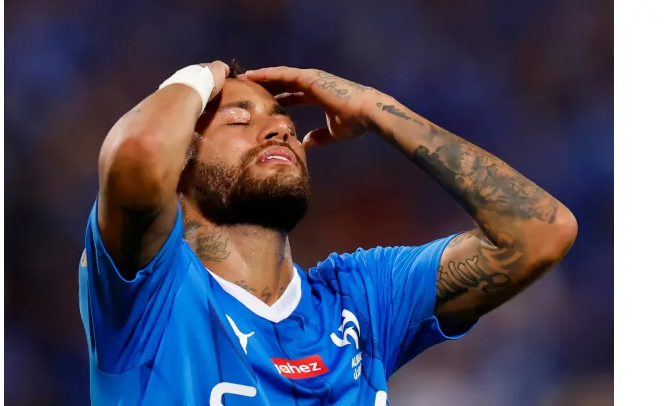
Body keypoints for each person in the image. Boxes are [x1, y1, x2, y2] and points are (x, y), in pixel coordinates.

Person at [78, 60, 577, 405]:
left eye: (285, 122)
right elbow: (138, 156)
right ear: (180, 165)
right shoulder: (149, 292)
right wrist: (197, 76)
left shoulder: (360, 297)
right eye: (238, 119)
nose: (278, 130)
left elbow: (541, 233)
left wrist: (377, 110)